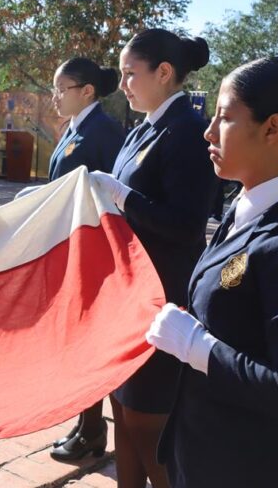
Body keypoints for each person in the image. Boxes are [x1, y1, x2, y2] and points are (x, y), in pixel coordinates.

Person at [146, 56, 278, 487]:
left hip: (247, 466)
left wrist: (199, 347)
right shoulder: (246, 204)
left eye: (225, 117)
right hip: (200, 450)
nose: (209, 131)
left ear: (273, 128)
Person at [90, 29, 218, 488]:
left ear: (164, 73)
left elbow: (186, 223)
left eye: (130, 74)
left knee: (148, 423)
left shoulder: (186, 130)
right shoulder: (145, 125)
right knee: (122, 413)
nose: (123, 84)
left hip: (162, 290)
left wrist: (122, 196)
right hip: (129, 290)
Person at [45, 57, 125, 461]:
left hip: (92, 253)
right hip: (70, 247)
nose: (55, 96)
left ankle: (93, 430)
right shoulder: (76, 128)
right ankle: (86, 422)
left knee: (89, 340)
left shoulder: (104, 133)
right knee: (77, 338)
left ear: (87, 91)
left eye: (62, 88)